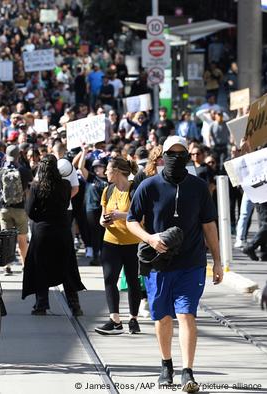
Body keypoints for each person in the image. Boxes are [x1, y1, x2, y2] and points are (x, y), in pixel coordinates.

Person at [126, 136, 223, 392]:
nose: (177, 158)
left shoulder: (199, 187)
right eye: (172, 153)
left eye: (183, 154)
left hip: (191, 263)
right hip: (158, 264)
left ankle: (187, 371)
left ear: (188, 158)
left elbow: (209, 225)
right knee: (163, 317)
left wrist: (218, 261)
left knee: (186, 314)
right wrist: (150, 238)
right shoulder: (149, 186)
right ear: (162, 156)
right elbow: (131, 220)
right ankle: (166, 364)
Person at [23, 155, 85, 316]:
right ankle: (75, 305)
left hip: (42, 231)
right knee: (67, 267)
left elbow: (30, 211)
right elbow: (65, 205)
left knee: (41, 267)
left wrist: (41, 220)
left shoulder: (36, 187)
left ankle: (41, 304)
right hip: (62, 230)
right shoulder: (65, 185)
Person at [95, 158, 142, 335]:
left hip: (132, 242)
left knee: (132, 281)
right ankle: (114, 319)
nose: (104, 172)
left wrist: (120, 216)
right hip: (111, 242)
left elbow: (140, 216)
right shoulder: (108, 190)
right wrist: (105, 221)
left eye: (107, 169)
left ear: (117, 171)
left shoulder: (134, 190)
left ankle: (133, 319)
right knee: (109, 279)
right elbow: (102, 217)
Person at [0, 145, 33, 274]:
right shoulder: (24, 171)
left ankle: (7, 265)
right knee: (22, 238)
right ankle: (25, 264)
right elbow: (28, 191)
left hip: (4, 208)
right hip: (20, 209)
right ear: (18, 155)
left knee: (6, 238)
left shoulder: (0, 171)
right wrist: (28, 206)